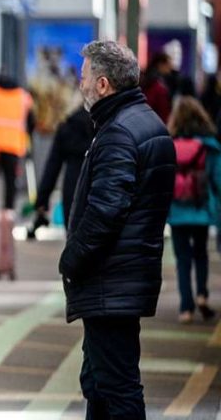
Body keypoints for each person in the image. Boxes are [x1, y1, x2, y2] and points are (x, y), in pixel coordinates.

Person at [60, 41, 176, 419]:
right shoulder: (142, 123)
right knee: (99, 383)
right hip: (123, 277)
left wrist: (72, 259)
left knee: (118, 386)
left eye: (85, 78)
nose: (82, 86)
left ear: (104, 84)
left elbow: (106, 211)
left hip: (110, 280)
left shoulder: (119, 133)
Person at [166, 96, 219, 324]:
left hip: (177, 210)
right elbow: (217, 179)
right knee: (201, 254)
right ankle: (202, 295)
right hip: (201, 209)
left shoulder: (169, 145)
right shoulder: (209, 147)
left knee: (182, 258)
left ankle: (185, 307)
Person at [33, 106, 94, 237]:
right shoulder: (103, 127)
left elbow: (52, 167)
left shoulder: (67, 127)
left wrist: (42, 201)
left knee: (73, 237)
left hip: (72, 188)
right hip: (96, 187)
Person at [0, 73, 33, 224]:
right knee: (10, 181)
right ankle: (8, 210)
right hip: (13, 145)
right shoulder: (23, 97)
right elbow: (30, 122)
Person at [141, 52, 174, 124]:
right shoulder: (157, 85)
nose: (170, 68)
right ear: (161, 64)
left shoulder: (147, 80)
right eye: (168, 65)